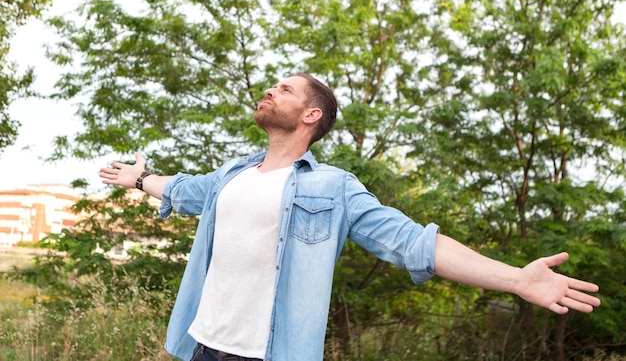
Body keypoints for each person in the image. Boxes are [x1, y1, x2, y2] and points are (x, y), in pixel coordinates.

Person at [99, 72, 601, 361]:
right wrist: (139, 179)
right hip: (198, 343)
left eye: (286, 89)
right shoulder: (232, 173)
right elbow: (185, 191)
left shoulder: (332, 187)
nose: (271, 91)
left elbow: (413, 243)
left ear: (311, 115)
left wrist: (516, 279)